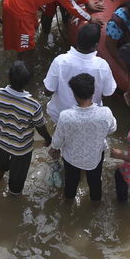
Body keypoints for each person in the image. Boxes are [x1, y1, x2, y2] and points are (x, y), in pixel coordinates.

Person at [0, 61, 52, 195]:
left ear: (9, 77)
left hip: (1, 140)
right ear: (28, 82)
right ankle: (13, 200)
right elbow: (40, 127)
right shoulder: (33, 105)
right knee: (17, 180)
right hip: (21, 149)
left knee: (0, 164)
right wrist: (48, 138)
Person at [49, 73, 117, 202]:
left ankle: (68, 203)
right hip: (95, 157)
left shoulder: (66, 116)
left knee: (70, 183)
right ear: (93, 92)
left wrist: (54, 149)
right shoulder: (105, 113)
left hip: (72, 158)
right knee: (95, 182)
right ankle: (95, 204)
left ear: (74, 95)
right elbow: (112, 129)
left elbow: (58, 140)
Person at [44, 23, 117, 123]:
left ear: (77, 41)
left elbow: (47, 91)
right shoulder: (102, 66)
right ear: (96, 45)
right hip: (90, 118)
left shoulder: (60, 61)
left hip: (60, 115)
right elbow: (108, 93)